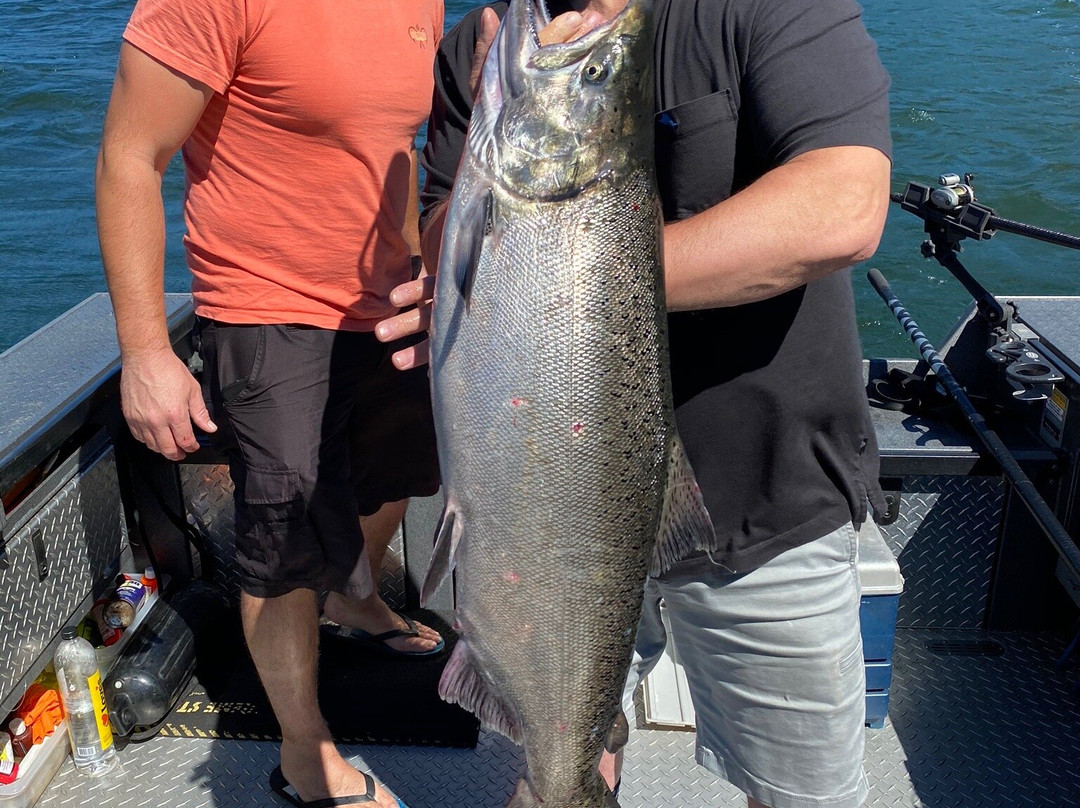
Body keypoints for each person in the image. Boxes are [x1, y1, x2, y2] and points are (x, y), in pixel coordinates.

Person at [376, 0, 892, 806]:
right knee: (562, 745)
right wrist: (494, 136)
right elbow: (449, 242)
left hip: (765, 499)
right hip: (541, 507)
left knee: (803, 795)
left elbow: (843, 209)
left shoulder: (763, 9)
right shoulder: (485, 45)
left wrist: (560, 268)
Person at [96, 0, 446, 805]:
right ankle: (303, 754)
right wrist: (145, 353)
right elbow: (130, 156)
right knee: (285, 543)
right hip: (267, 309)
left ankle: (355, 600)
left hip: (393, 300)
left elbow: (394, 146)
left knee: (399, 473)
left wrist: (427, 272)